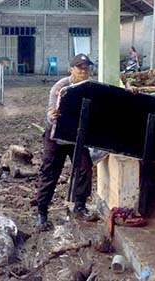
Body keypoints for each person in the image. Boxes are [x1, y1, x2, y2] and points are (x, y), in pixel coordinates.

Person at [35, 53, 99, 232]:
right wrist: (52, 116)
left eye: (87, 68)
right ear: (72, 69)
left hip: (77, 136)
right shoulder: (61, 87)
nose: (84, 71)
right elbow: (50, 113)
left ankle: (80, 206)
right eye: (80, 67)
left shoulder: (91, 88)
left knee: (85, 167)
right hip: (56, 135)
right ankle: (41, 213)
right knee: (50, 172)